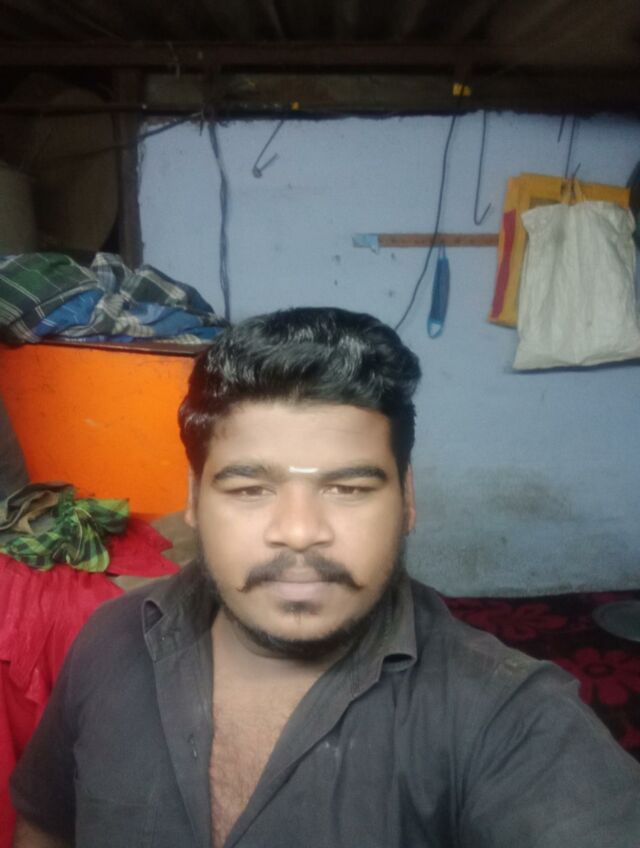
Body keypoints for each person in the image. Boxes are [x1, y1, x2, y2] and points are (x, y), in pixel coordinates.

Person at [10, 307, 640, 848]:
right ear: (195, 500)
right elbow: (44, 825)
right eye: (251, 488)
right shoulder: (110, 638)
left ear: (407, 500)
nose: (300, 531)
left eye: (348, 488)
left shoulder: (510, 717)